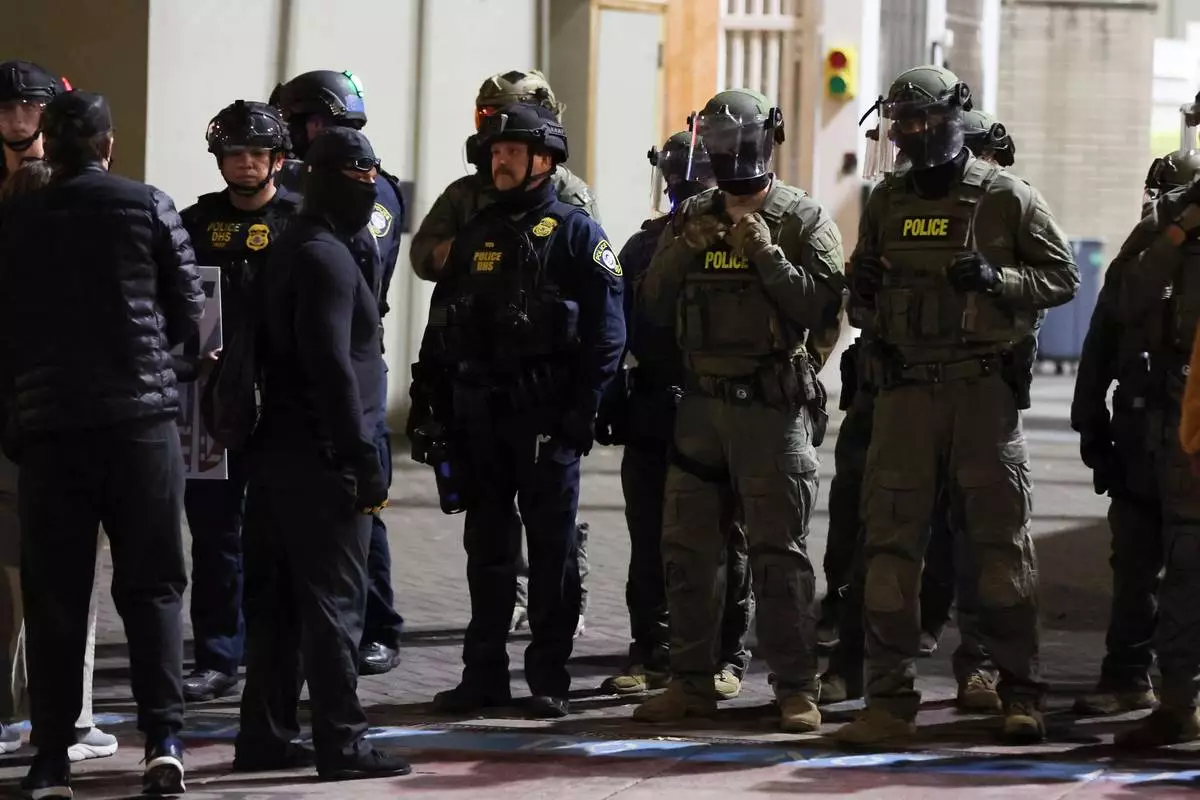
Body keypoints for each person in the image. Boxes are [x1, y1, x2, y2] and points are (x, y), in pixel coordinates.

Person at [834, 65, 1078, 746]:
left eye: (924, 120)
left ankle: (1019, 692)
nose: (912, 133)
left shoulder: (1005, 196)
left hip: (980, 395)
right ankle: (888, 701)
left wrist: (999, 279)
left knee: (1000, 547)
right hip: (905, 395)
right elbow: (862, 301)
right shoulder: (886, 199)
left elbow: (1063, 277)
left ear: (952, 119)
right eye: (902, 123)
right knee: (890, 549)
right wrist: (863, 286)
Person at [0, 89, 204, 797]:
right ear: (108, 146)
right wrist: (155, 365)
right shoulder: (149, 205)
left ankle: (52, 757)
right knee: (153, 587)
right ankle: (164, 741)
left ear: (48, 147)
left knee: (55, 594)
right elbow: (188, 312)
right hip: (140, 428)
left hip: (51, 431)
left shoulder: (16, 217)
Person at [632, 89, 845, 731]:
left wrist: (767, 257)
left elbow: (822, 312)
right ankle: (690, 683)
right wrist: (681, 249)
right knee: (688, 553)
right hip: (701, 409)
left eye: (735, 142)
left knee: (780, 555)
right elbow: (651, 306)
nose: (727, 153)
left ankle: (795, 688)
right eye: (716, 143)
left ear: (762, 142)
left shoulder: (802, 218)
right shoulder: (693, 214)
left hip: (770, 413)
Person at [412, 102, 624, 718]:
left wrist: (582, 412)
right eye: (494, 152)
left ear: (545, 159)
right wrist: (430, 399)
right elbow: (443, 320)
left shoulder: (578, 233)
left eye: (510, 152)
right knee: (487, 549)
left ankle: (549, 678)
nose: (498, 162)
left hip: (545, 421)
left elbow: (609, 333)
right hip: (479, 416)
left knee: (552, 552)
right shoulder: (476, 231)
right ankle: (482, 676)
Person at [233, 127, 411, 780]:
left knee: (278, 607)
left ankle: (266, 734)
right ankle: (343, 742)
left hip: (276, 455)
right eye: (361, 178)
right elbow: (331, 366)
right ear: (332, 179)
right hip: (323, 458)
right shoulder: (326, 258)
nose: (370, 190)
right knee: (336, 605)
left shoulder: (290, 247)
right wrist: (360, 456)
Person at [595, 131, 752, 699]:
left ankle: (727, 654)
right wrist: (611, 398)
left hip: (721, 405)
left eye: (694, 181)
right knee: (650, 538)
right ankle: (652, 651)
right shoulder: (644, 246)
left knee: (727, 539)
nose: (683, 194)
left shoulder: (747, 237)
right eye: (676, 181)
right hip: (657, 406)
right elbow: (619, 326)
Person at [1071, 101, 1200, 742]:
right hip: (1141, 429)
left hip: (1186, 432)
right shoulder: (1151, 241)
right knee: (1135, 560)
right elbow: (1109, 323)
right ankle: (1130, 677)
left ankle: (1177, 695)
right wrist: (1090, 422)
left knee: (1185, 561)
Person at [270, 69, 406, 675]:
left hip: (352, 363)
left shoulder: (366, 193)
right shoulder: (310, 186)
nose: (289, 135)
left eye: (296, 123)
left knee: (362, 509)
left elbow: (362, 272)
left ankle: (378, 626)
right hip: (321, 369)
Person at [177, 100, 299, 703]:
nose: (246, 163)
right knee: (214, 531)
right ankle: (217, 655)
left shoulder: (303, 223)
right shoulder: (192, 224)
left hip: (284, 401)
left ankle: (277, 651)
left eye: (257, 153)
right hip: (209, 402)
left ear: (278, 159)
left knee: (280, 530)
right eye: (234, 153)